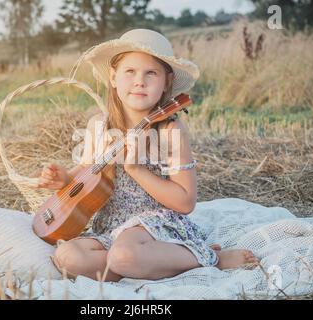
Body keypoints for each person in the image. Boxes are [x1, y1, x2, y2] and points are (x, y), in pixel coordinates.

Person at [34, 29, 259, 282]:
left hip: (156, 227)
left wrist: (136, 169)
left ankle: (209, 258)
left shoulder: (170, 130)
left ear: (167, 82)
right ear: (113, 77)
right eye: (130, 71)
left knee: (122, 255)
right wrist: (64, 180)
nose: (139, 81)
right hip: (110, 228)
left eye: (151, 73)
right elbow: (89, 169)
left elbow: (185, 203)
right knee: (67, 257)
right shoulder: (98, 126)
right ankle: (155, 262)